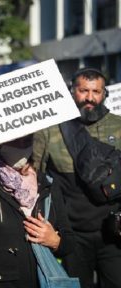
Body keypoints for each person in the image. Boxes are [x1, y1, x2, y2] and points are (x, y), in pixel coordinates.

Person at [0, 127, 75, 288]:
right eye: (15, 140)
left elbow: (69, 240)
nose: (22, 146)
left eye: (26, 140)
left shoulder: (47, 184)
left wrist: (55, 241)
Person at [33, 67, 121, 288]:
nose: (89, 98)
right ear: (72, 91)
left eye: (96, 91)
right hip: (72, 235)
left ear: (104, 94)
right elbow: (35, 175)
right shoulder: (50, 129)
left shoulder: (119, 125)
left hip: (113, 234)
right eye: (83, 91)